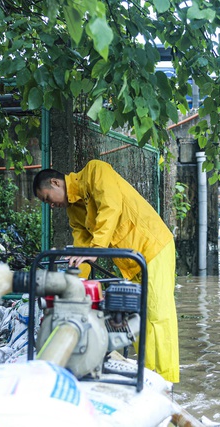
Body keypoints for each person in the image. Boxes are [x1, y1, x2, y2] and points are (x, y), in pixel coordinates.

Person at [32, 159, 179, 383]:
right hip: (131, 262)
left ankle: (166, 384)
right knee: (137, 318)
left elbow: (110, 206)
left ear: (55, 183)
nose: (51, 205)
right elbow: (81, 252)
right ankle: (147, 375)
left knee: (158, 316)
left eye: (48, 199)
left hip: (153, 246)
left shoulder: (95, 171)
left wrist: (96, 249)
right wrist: (71, 286)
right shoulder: (74, 213)